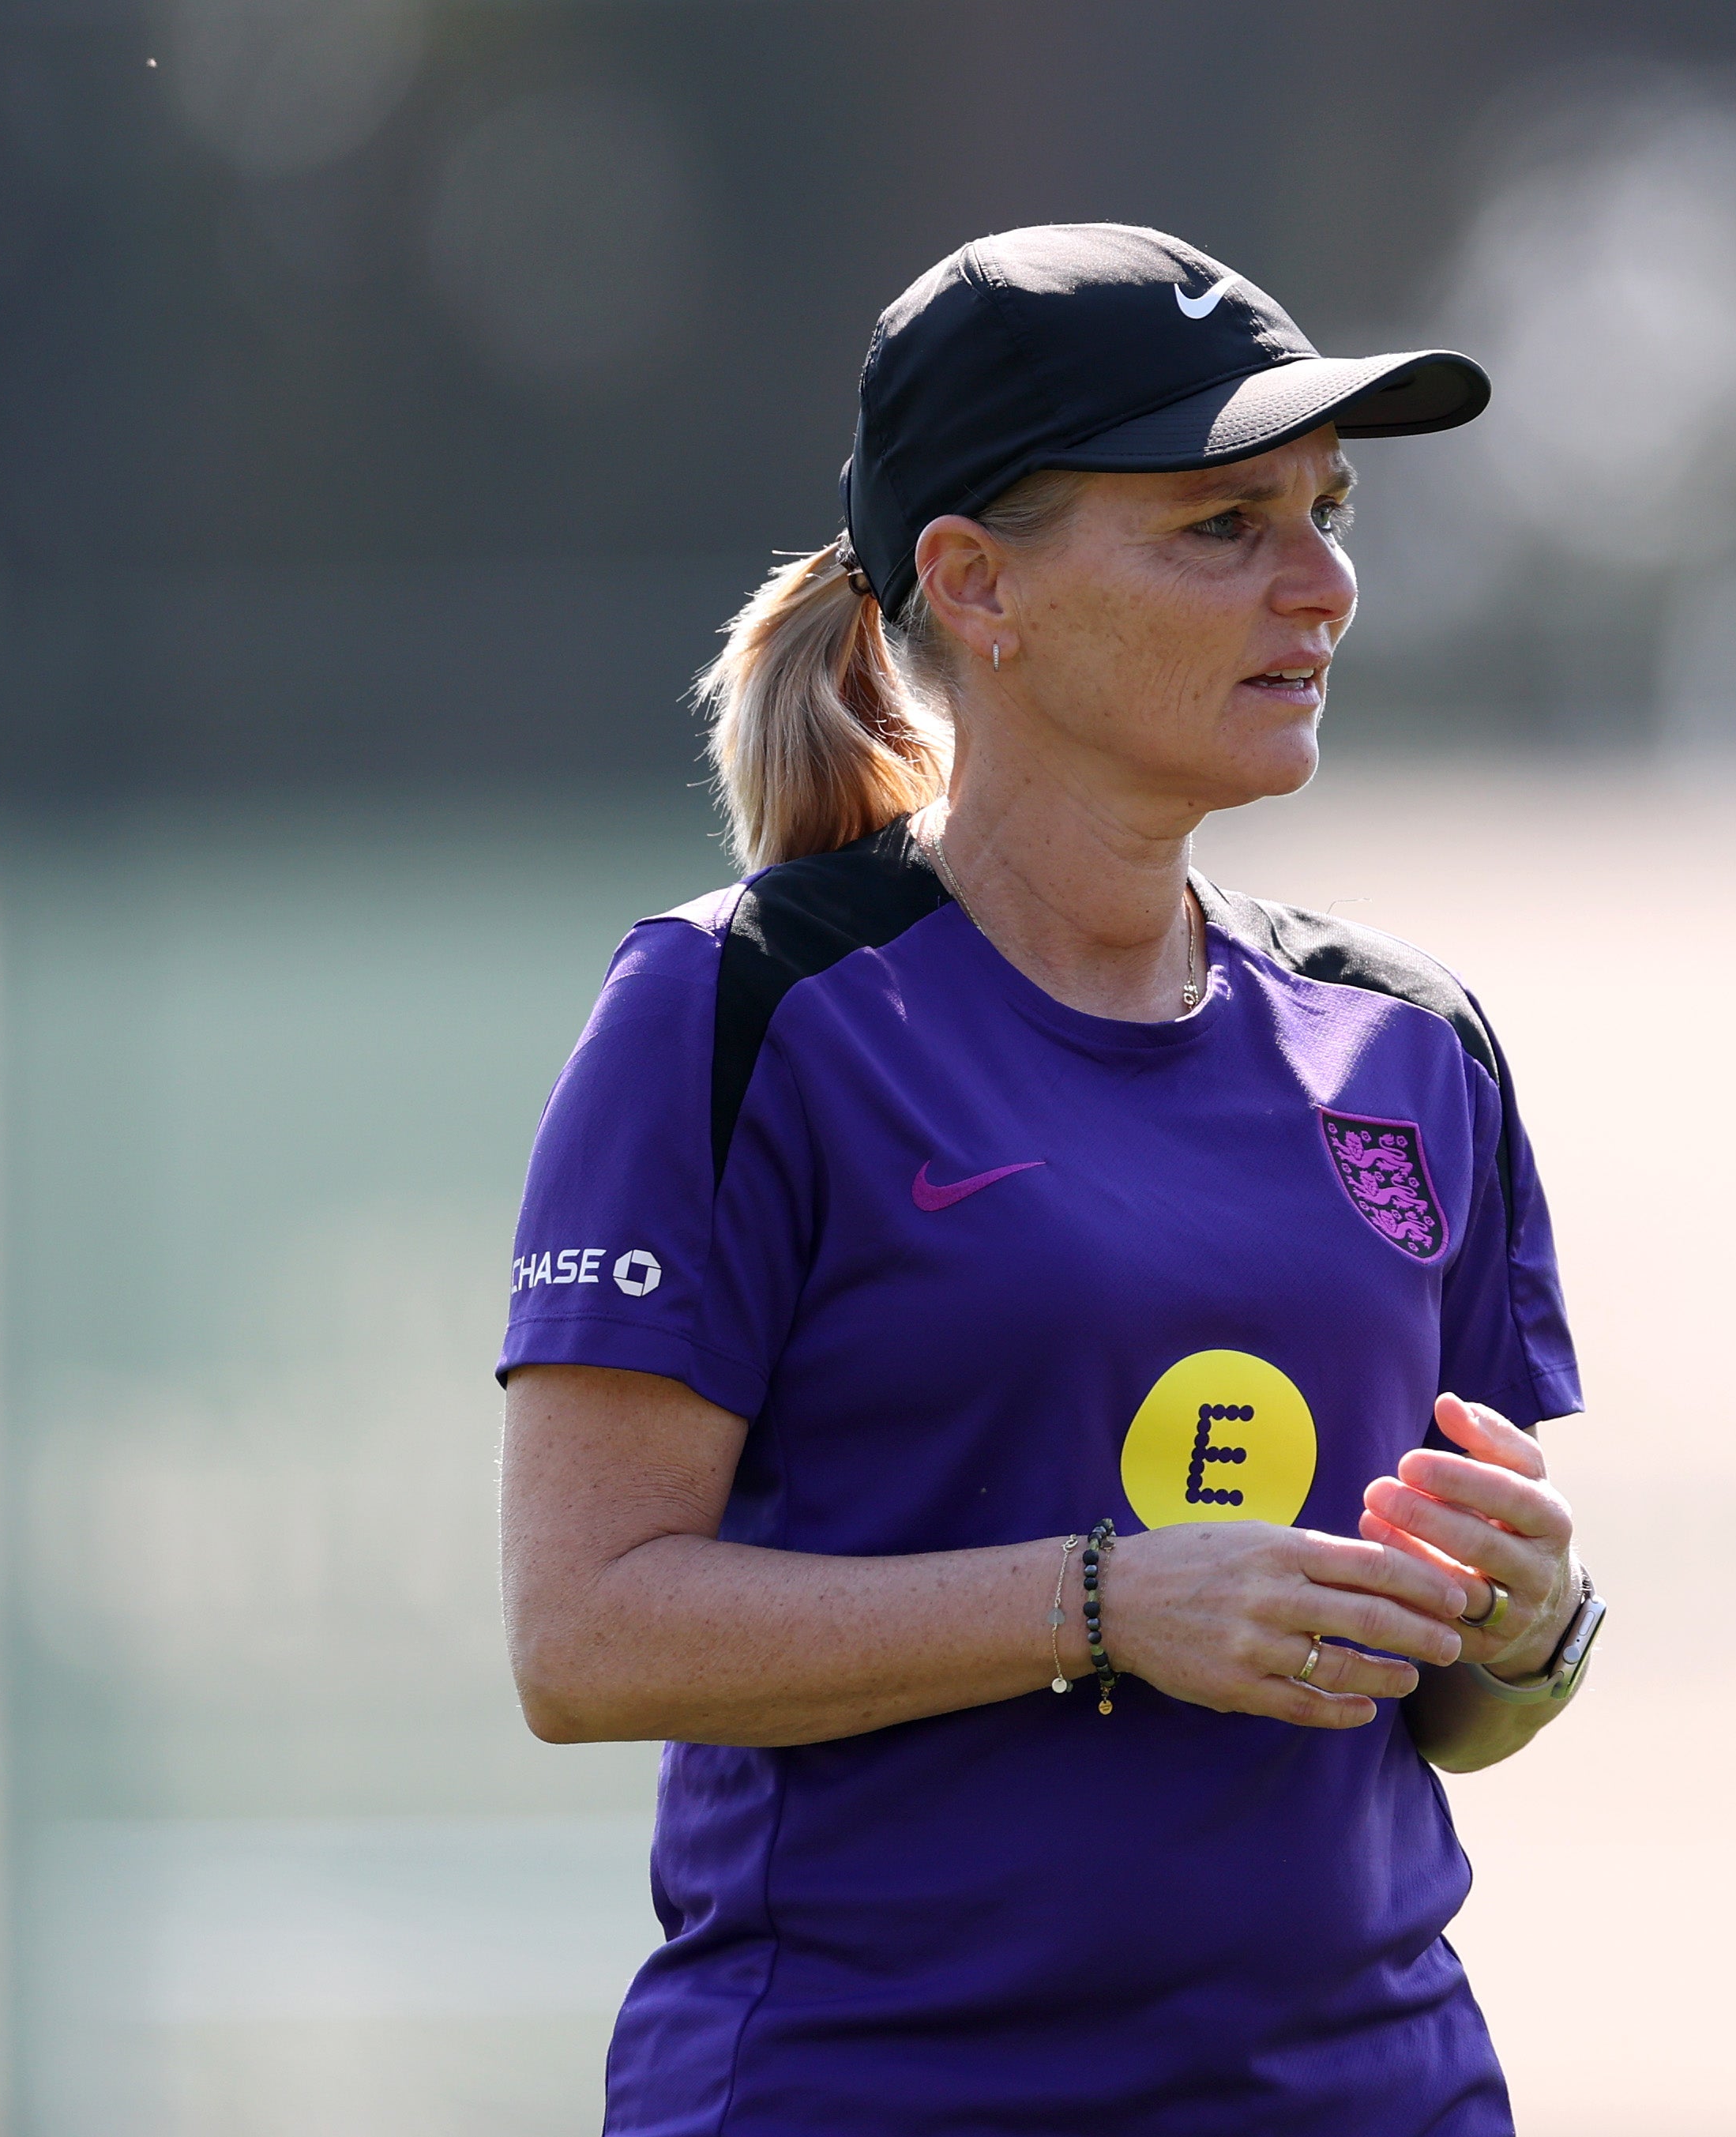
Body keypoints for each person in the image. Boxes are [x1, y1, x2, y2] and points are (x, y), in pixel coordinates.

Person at [498, 223, 1605, 2137]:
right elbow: (585, 1637)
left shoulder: (1408, 1042)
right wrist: (1099, 1605)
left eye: (1328, 512)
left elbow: (1451, 1716)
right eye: (1223, 525)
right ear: (975, 582)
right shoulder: (742, 1007)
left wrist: (1528, 1627)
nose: (1322, 584)